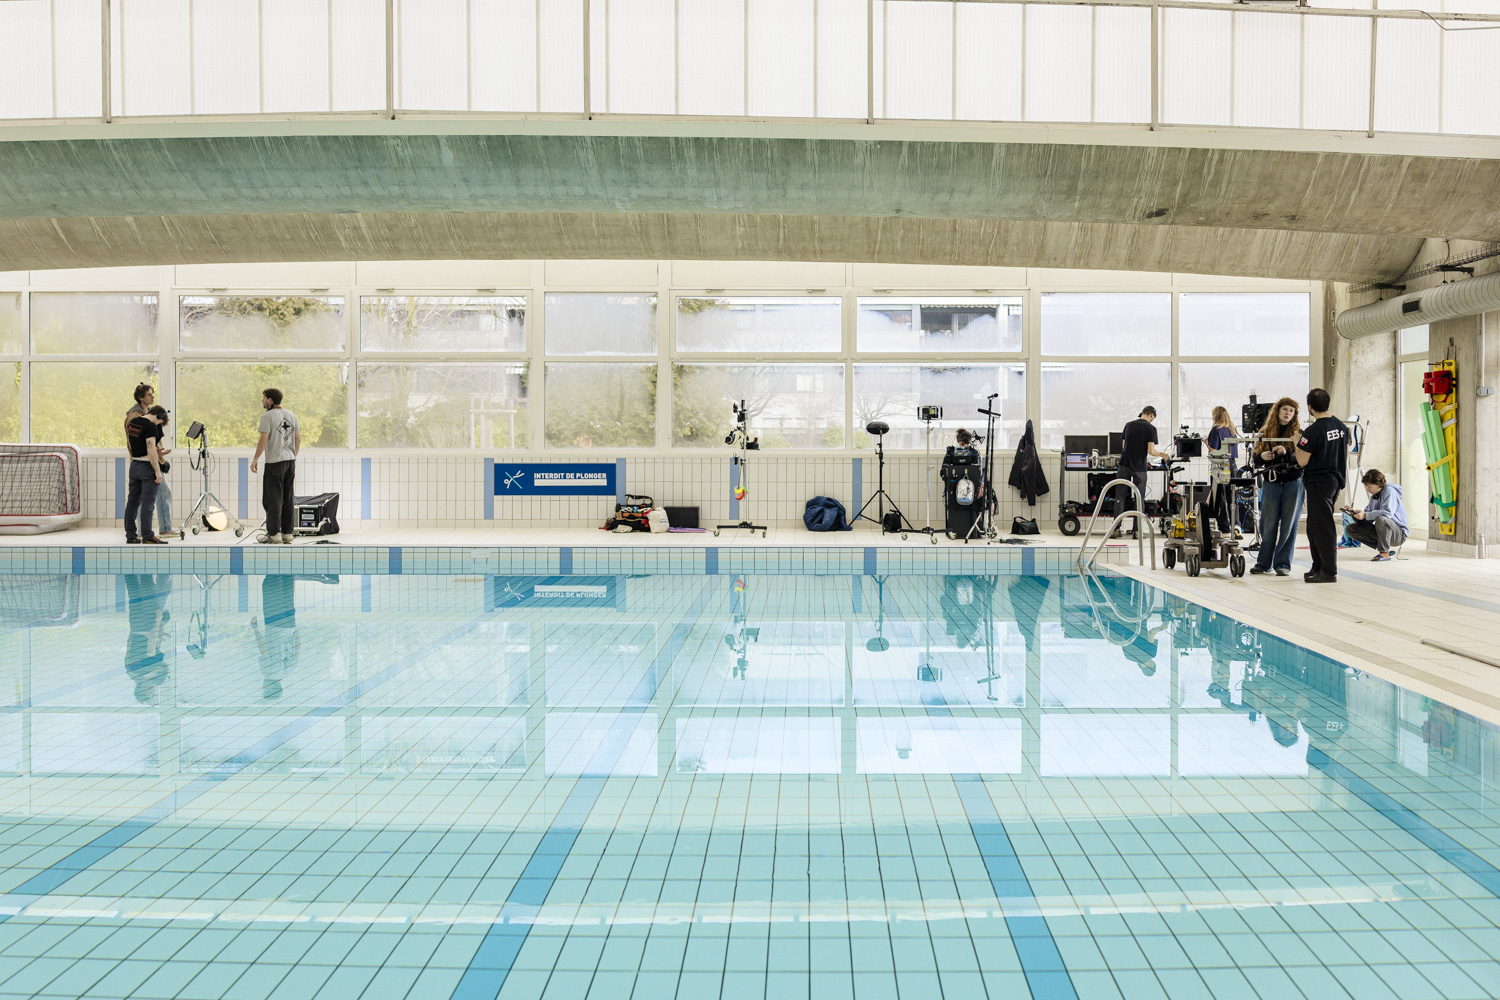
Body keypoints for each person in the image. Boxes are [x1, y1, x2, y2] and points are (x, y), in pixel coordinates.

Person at [1295, 388, 1348, 584]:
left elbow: (1302, 460)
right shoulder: (1342, 427)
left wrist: (1296, 442)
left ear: (1310, 407)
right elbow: (1345, 453)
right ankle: (1317, 565)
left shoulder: (1312, 431)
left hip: (1319, 481)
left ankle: (1329, 570)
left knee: (1323, 527)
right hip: (1335, 480)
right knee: (1314, 526)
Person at [1249, 397, 1302, 577]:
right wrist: (1262, 456)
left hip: (1293, 481)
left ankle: (1283, 564)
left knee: (1289, 524)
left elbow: (1303, 459)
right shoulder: (1264, 433)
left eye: (1291, 411)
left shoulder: (1298, 434)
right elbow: (1254, 460)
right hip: (1271, 481)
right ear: (1277, 411)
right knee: (1268, 524)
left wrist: (1287, 453)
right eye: (1285, 409)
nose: (1288, 413)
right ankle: (1263, 563)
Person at [250, 388, 301, 544]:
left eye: (264, 398)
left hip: (274, 462)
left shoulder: (267, 416)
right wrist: (293, 455)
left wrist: (255, 459)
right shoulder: (291, 415)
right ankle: (287, 534)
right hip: (290, 461)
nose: (262, 400)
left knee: (273, 499)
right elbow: (298, 439)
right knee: (288, 498)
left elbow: (263, 439)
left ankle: (274, 535)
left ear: (270, 400)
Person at [125, 384, 176, 538]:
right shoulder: (135, 416)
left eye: (153, 393)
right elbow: (137, 443)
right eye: (149, 394)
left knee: (143, 498)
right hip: (147, 463)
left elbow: (152, 443)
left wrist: (161, 457)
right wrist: (155, 462)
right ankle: (146, 532)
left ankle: (139, 533)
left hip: (148, 461)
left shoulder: (148, 414)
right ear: (141, 397)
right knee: (146, 500)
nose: (153, 397)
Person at [1117, 406, 1170, 530]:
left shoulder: (1128, 425)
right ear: (1151, 415)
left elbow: (1124, 447)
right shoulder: (1151, 428)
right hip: (1139, 468)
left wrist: (1142, 459)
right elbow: (1151, 451)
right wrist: (1163, 455)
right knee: (1139, 498)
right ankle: (1137, 531)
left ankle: (1116, 529)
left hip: (1124, 465)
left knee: (1120, 497)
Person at [1341, 470, 1408, 561]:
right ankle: (1384, 547)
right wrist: (1356, 513)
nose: (1367, 489)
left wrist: (1366, 515)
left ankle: (1384, 552)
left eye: (1369, 486)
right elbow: (1368, 517)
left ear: (1378, 484)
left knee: (1382, 519)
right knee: (1350, 528)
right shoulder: (1374, 496)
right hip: (1385, 532)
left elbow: (1388, 513)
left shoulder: (1390, 491)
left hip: (1399, 534)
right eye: (1366, 487)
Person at [124, 405, 168, 544]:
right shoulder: (150, 426)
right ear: (159, 416)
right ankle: (148, 536)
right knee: (148, 503)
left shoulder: (133, 423)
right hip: (147, 467)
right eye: (160, 422)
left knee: (132, 502)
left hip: (134, 466)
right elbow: (150, 448)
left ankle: (131, 535)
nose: (158, 425)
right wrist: (157, 470)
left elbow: (137, 444)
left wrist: (157, 452)